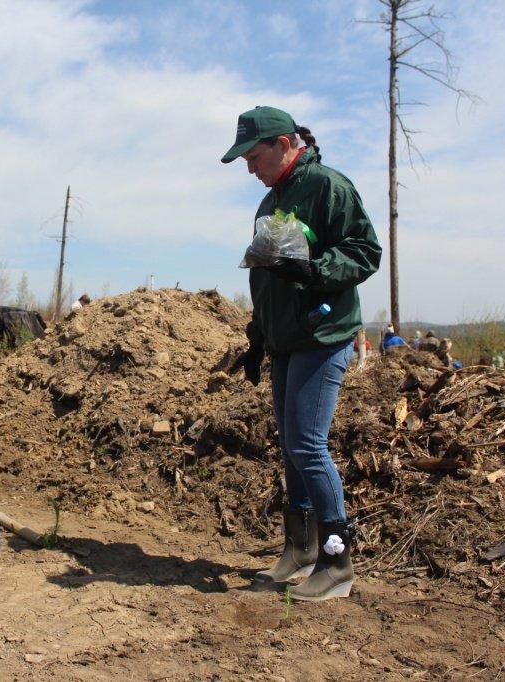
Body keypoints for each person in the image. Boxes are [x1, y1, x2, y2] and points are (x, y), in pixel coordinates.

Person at [222, 105, 381, 601]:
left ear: (285, 144)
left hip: (323, 333)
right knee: (292, 447)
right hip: (285, 339)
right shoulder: (269, 204)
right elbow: (265, 278)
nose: (250, 168)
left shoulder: (328, 187)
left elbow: (365, 251)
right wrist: (257, 335)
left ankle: (336, 561)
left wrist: (315, 270)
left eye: (254, 156)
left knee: (309, 445)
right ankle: (300, 549)